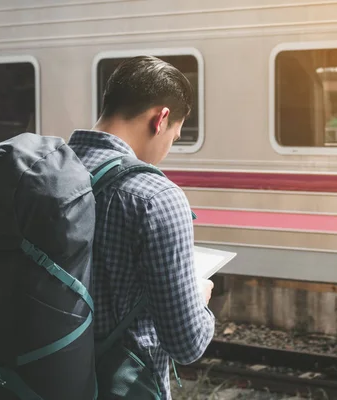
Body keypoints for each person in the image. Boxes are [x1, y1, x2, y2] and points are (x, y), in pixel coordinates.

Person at [68, 55, 215, 399]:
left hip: (42, 380)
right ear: (161, 118)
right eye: (175, 137)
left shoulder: (47, 174)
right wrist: (199, 297)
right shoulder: (156, 197)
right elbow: (187, 343)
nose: (168, 147)